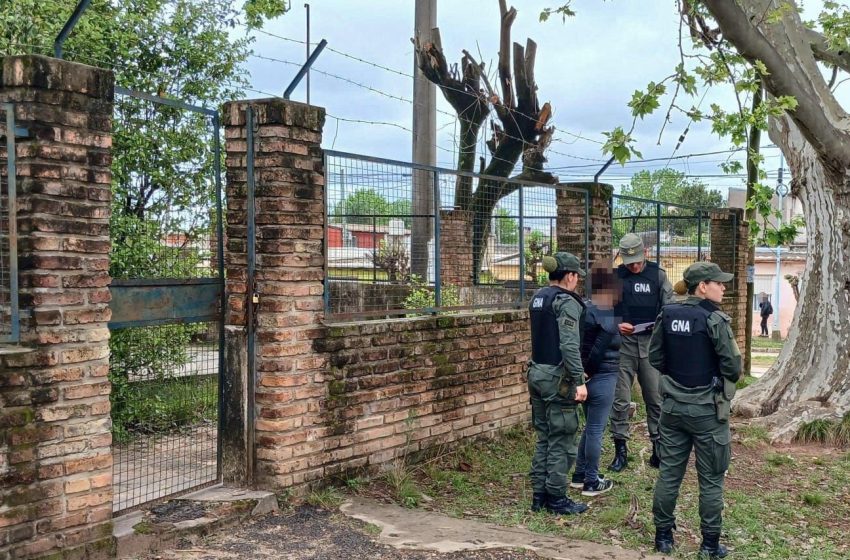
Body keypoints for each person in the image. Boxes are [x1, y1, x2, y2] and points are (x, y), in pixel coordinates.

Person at [648, 262, 741, 559]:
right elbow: (733, 367)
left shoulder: (669, 313)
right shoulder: (714, 319)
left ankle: (663, 538)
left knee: (669, 475)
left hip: (672, 408)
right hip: (707, 412)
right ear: (702, 286)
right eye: (719, 282)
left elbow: (655, 356)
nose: (723, 287)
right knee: (711, 479)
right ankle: (710, 545)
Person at [527, 251, 589, 516]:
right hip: (557, 379)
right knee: (562, 439)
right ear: (571, 276)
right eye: (577, 277)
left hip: (536, 373)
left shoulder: (538, 297)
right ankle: (557, 497)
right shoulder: (567, 302)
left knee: (544, 437)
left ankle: (539, 495)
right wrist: (579, 380)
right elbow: (569, 345)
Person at [608, 233, 674, 472]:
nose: (634, 266)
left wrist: (659, 325)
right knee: (621, 400)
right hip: (623, 347)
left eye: (637, 261)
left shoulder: (658, 275)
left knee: (655, 399)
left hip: (650, 347)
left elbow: (669, 308)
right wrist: (615, 324)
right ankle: (620, 450)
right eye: (629, 262)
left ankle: (658, 448)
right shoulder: (614, 278)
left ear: (645, 253)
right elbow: (598, 312)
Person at [570, 261, 621, 497]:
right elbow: (599, 348)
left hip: (584, 376)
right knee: (596, 429)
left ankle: (580, 475)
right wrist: (588, 371)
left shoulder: (584, 309)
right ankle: (592, 481)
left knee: (589, 427)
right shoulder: (607, 313)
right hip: (602, 376)